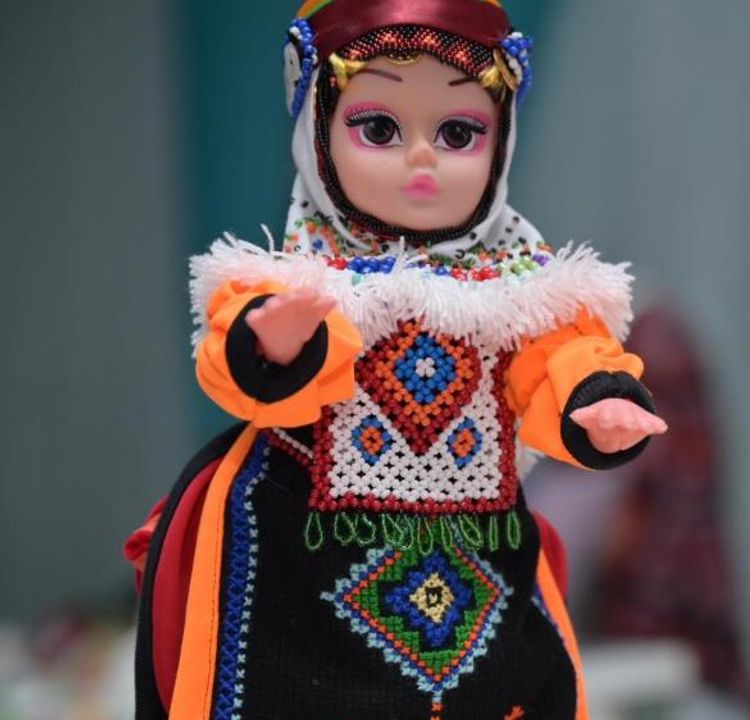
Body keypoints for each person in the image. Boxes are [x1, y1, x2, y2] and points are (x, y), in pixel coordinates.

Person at [125, 2, 665, 717]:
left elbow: (559, 359)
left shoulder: (525, 289)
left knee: (498, 689)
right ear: (317, 129)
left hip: (475, 555)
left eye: (458, 133)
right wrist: (276, 342)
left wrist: (593, 401)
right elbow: (237, 368)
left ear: (501, 139)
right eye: (378, 128)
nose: (421, 157)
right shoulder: (295, 277)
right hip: (300, 556)